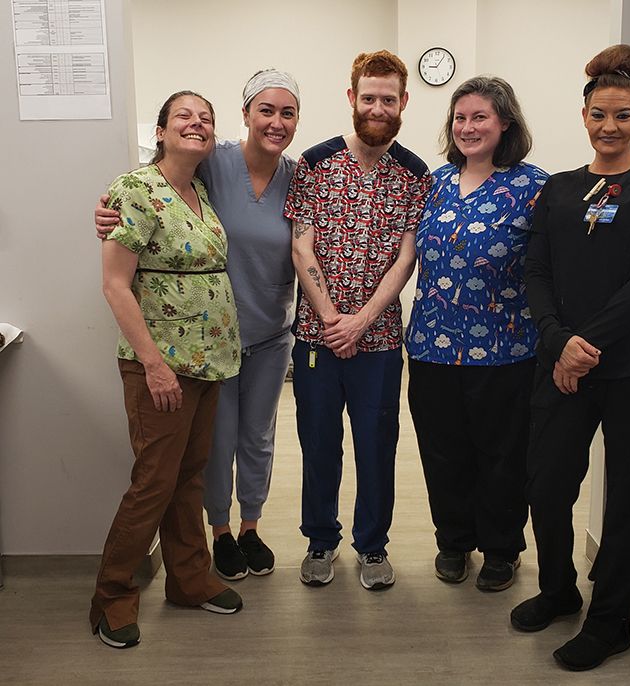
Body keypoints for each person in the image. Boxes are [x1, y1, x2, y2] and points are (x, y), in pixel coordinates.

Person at [509, 45, 630, 671]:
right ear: (583, 116)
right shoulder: (558, 189)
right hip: (560, 361)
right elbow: (536, 271)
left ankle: (611, 621)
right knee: (548, 482)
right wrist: (560, 342)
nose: (609, 126)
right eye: (598, 114)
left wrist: (585, 347)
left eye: (622, 115)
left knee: (629, 494)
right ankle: (558, 589)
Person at [95, 70, 300, 581]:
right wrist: (107, 212)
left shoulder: (294, 177)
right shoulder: (211, 165)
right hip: (202, 350)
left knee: (256, 439)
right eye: (265, 110)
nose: (275, 122)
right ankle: (220, 533)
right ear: (246, 114)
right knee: (209, 450)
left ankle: (248, 530)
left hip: (268, 335)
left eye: (287, 112)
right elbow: (149, 195)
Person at [91, 91, 243, 649]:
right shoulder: (135, 189)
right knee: (153, 482)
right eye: (185, 116)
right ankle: (112, 594)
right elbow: (115, 285)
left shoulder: (198, 190)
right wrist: (154, 366)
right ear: (160, 131)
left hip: (207, 362)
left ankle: (188, 579)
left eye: (206, 118)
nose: (197, 124)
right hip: (160, 366)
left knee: (189, 475)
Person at [284, 50, 431, 590]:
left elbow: (406, 257)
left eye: (388, 99)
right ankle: (320, 540)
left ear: (403, 103)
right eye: (368, 97)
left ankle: (372, 547)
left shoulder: (415, 175)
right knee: (319, 441)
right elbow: (302, 246)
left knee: (376, 443)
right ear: (352, 98)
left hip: (381, 340)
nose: (377, 107)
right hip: (316, 336)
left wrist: (362, 322)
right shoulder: (315, 165)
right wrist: (330, 318)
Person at [404, 77, 547, 592]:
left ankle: (502, 549)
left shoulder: (533, 186)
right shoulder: (435, 183)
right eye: (460, 118)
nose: (467, 127)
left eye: (479, 117)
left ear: (504, 122)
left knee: (503, 455)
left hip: (505, 349)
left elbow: (550, 265)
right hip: (431, 346)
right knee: (443, 451)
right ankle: (454, 540)